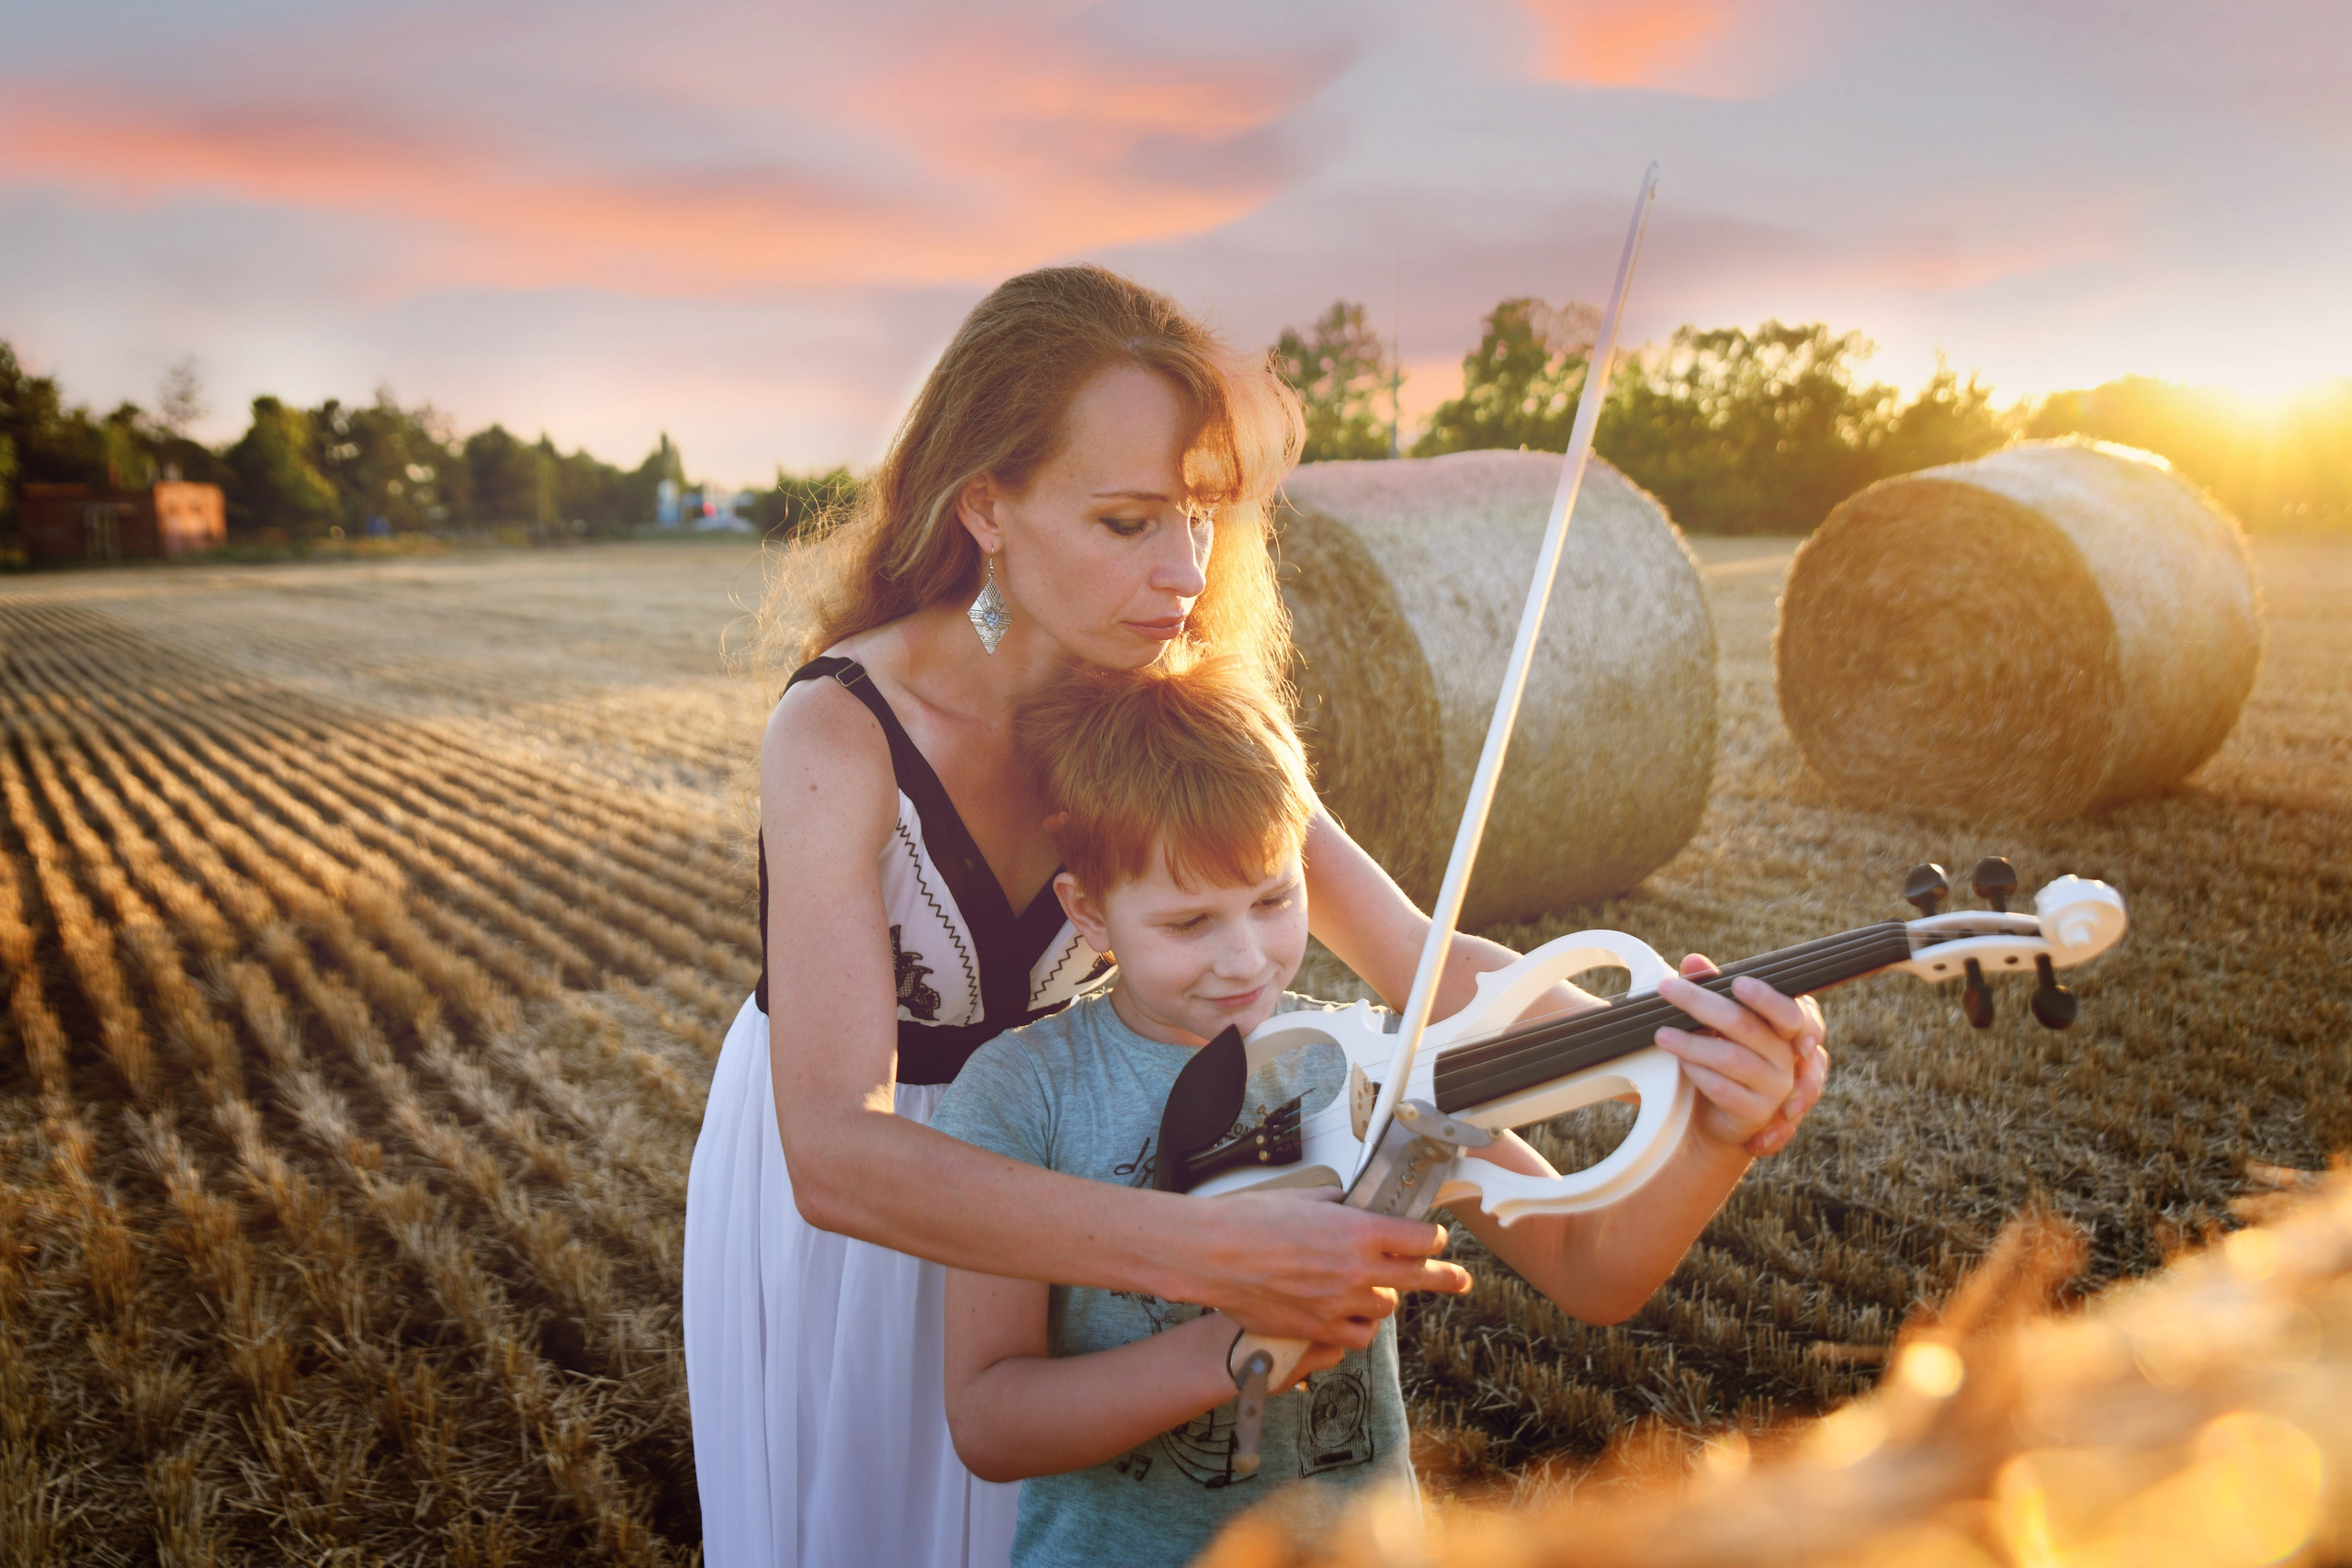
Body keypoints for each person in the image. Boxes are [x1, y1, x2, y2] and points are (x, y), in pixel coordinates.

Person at [681, 264, 1831, 1568]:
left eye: (1201, 515)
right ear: (986, 505)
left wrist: (1674, 1050)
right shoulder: (838, 728)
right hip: (876, 1217)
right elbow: (836, 1149)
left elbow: (1420, 960)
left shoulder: (1166, 723)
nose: (1184, 571)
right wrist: (1208, 1250)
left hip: (1097, 1168)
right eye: (1127, 521)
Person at [931, 658, 1826, 1566]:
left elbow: (1591, 1270)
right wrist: (1230, 1349)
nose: (1245, 958)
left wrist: (1718, 1137)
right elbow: (990, 1421)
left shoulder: (1378, 1066)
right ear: (1087, 911)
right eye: (1189, 923)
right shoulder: (1022, 1091)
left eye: (1274, 899)